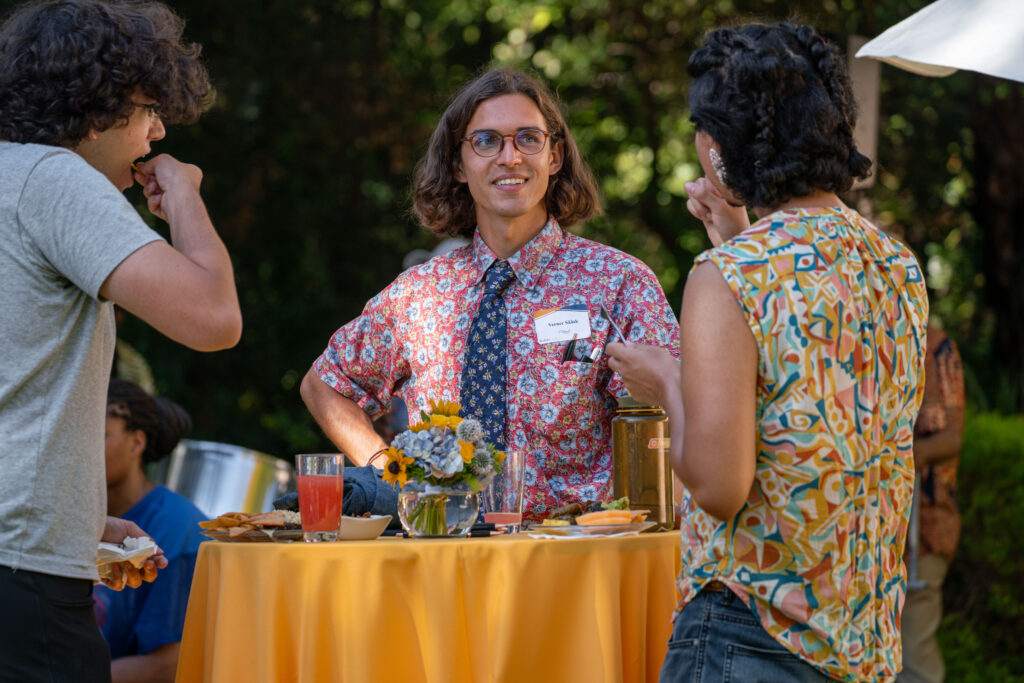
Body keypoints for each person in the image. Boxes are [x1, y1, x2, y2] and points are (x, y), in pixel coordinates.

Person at [606, 22, 928, 682]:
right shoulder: (896, 264)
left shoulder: (726, 277)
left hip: (747, 635)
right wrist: (734, 230)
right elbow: (808, 388)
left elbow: (721, 487)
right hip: (859, 639)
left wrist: (667, 380)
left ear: (720, 148)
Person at [301, 68, 679, 519]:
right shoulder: (420, 294)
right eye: (486, 141)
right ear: (459, 165)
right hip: (442, 551)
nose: (510, 157)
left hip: (573, 555)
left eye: (528, 139)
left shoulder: (618, 282)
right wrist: (390, 474)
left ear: (555, 157)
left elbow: (673, 409)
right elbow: (324, 384)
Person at [0, 1, 241, 680]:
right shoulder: (54, 178)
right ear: (97, 108)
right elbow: (214, 318)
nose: (157, 132)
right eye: (148, 112)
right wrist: (184, 195)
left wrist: (78, 521)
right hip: (25, 583)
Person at [94, 379, 207, 683]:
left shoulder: (179, 529)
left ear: (136, 443)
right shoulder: (72, 516)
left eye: (99, 435)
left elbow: (167, 666)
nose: (82, 449)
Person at [899, 324, 965, 683]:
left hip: (922, 531)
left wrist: (889, 459)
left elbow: (951, 437)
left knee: (915, 662)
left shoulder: (934, 344)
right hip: (869, 536)